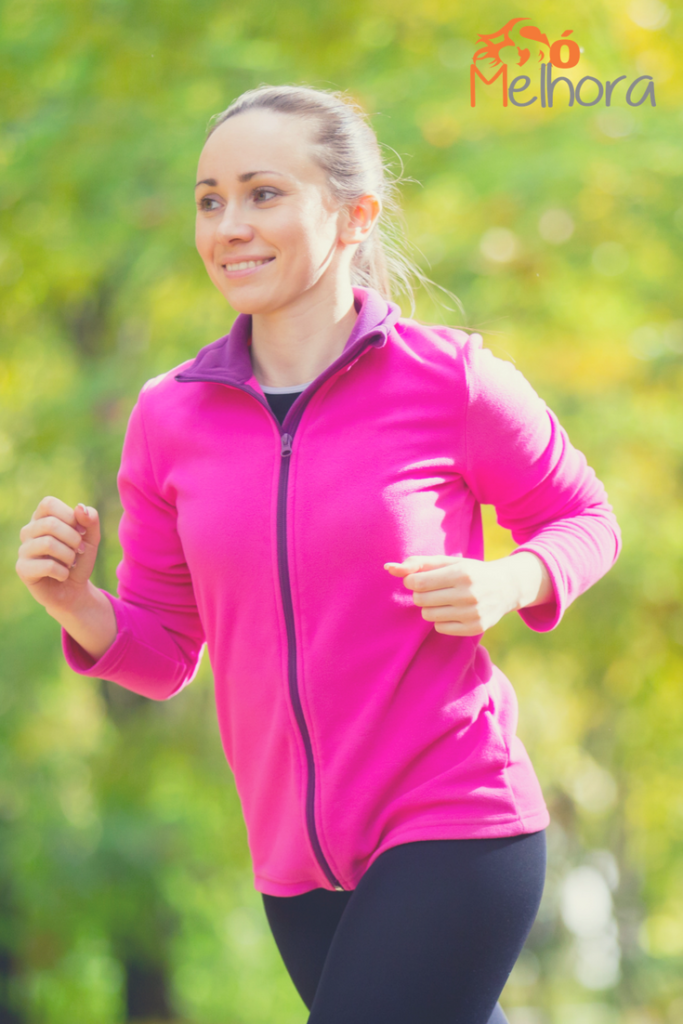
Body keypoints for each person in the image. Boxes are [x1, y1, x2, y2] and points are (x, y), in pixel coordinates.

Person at [15, 85, 621, 1024]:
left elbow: (586, 518)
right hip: (295, 870)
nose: (229, 225)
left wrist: (509, 577)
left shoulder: (450, 380)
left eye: (263, 193)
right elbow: (168, 651)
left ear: (352, 216)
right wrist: (77, 605)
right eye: (209, 199)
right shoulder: (167, 417)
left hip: (454, 818)